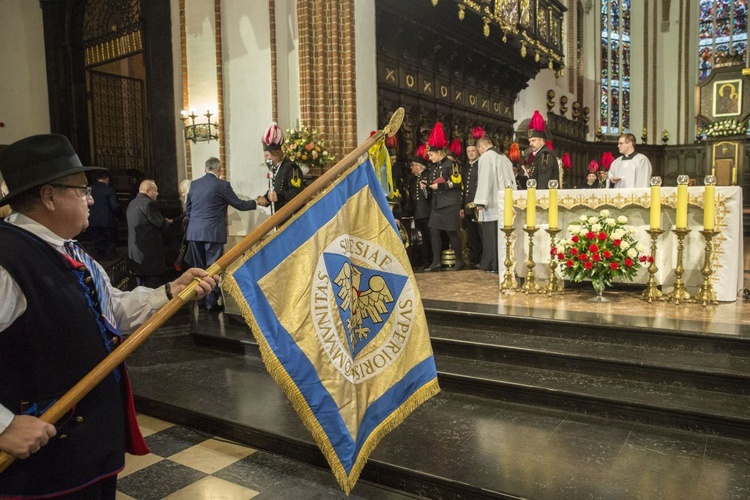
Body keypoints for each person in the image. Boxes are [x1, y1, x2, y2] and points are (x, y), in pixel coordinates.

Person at [0, 134, 216, 498]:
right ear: (49, 197)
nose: (90, 199)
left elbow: (112, 309)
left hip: (86, 449)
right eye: (81, 190)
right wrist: (4, 426)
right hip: (40, 464)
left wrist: (169, 291)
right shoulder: (8, 260)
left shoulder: (69, 250)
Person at [185, 157, 259, 311]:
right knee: (213, 267)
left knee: (198, 267)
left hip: (195, 232)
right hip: (213, 232)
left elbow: (188, 210)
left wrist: (198, 223)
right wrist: (256, 202)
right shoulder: (222, 185)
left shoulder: (194, 184)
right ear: (219, 170)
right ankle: (211, 301)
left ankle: (200, 301)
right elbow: (239, 204)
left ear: (205, 169)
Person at [424, 122, 464, 272]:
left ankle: (459, 260)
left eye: (431, 154)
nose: (430, 157)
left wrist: (441, 186)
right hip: (437, 204)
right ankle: (436, 261)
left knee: (451, 232)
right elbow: (433, 180)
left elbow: (457, 182)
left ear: (439, 152)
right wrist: (426, 184)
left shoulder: (450, 164)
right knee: (433, 231)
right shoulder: (434, 167)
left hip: (449, 203)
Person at [474, 137, 516, 273]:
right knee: (502, 236)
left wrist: (480, 201)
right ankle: (501, 263)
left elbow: (485, 179)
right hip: (506, 202)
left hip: (492, 204)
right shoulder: (505, 158)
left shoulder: (486, 157)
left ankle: (491, 263)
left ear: (481, 148)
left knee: (490, 236)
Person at [126, 180, 172, 288]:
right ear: (148, 191)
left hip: (136, 254)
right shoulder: (148, 203)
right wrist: (166, 221)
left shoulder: (132, 203)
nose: (157, 193)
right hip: (149, 254)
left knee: (140, 288)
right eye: (155, 191)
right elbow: (160, 224)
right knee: (151, 289)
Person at [257, 122, 303, 212]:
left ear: (276, 153)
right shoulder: (275, 169)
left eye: (267, 156)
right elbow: (274, 190)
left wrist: (279, 197)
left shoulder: (292, 168)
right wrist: (265, 199)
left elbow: (296, 192)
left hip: (290, 216)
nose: (266, 159)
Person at [407, 153, 433, 269]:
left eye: (413, 165)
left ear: (419, 166)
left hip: (428, 213)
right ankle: (424, 260)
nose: (411, 168)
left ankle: (431, 260)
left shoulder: (428, 175)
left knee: (429, 238)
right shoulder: (413, 180)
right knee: (421, 239)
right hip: (418, 214)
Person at [88, 171, 121, 258]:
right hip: (107, 221)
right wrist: (120, 216)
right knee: (110, 241)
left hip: (92, 220)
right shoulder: (109, 189)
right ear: (107, 178)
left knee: (97, 241)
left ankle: (100, 257)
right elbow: (114, 206)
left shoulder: (89, 189)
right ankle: (110, 259)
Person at [461, 136, 482, 267]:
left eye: (473, 151)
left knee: (481, 234)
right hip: (468, 206)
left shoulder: (481, 165)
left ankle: (481, 258)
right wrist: (462, 207)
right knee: (472, 235)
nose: (470, 153)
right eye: (468, 151)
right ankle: (475, 258)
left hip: (478, 205)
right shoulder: (465, 168)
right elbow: (463, 189)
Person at [525, 110, 559, 189]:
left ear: (541, 140)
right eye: (529, 141)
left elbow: (543, 181)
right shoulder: (539, 155)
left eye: (533, 140)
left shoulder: (544, 155)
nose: (530, 144)